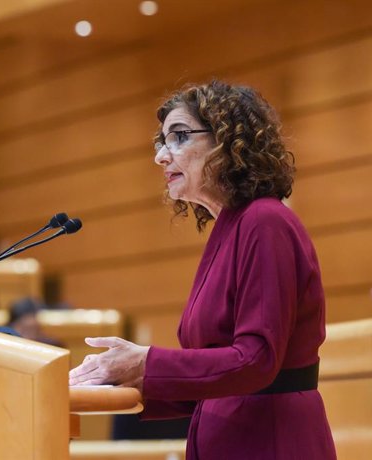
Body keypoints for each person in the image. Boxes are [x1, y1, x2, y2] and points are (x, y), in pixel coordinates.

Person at [69, 80, 336, 459]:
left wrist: (146, 362)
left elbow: (256, 360)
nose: (162, 156)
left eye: (179, 137)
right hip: (235, 433)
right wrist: (120, 383)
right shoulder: (230, 227)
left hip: (271, 440)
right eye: (161, 142)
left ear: (229, 143)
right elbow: (216, 375)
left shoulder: (266, 222)